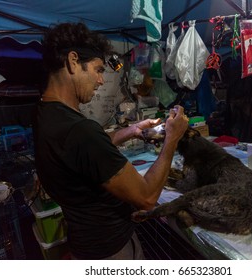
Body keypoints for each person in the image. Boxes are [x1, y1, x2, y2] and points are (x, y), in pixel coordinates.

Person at [33, 22, 189, 260]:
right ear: (73, 62)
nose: (101, 81)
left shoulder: (46, 115)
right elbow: (147, 198)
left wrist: (132, 129)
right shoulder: (80, 131)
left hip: (84, 245)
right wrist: (172, 139)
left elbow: (81, 151)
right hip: (112, 251)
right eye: (97, 70)